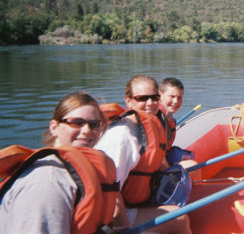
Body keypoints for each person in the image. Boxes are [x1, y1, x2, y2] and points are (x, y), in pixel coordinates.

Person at [0, 91, 118, 234]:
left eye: (94, 124)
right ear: (54, 127)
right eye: (77, 123)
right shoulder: (48, 181)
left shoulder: (75, 171)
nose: (87, 130)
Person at [95, 75, 192, 233]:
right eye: (142, 98)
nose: (150, 103)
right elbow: (108, 191)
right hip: (111, 215)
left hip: (134, 201)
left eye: (154, 98)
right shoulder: (122, 136)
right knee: (180, 218)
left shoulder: (147, 127)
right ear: (129, 101)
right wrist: (124, 228)